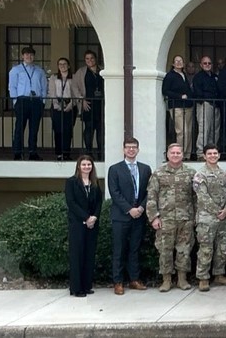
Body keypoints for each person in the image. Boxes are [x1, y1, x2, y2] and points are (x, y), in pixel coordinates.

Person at [146, 144, 197, 292]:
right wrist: (154, 217)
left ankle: (182, 279)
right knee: (165, 250)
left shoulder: (191, 173)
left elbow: (195, 197)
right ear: (167, 155)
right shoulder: (158, 173)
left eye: (178, 152)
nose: (175, 155)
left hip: (185, 218)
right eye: (172, 153)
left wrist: (195, 217)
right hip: (165, 219)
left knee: (184, 249)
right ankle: (166, 280)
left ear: (182, 155)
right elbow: (151, 196)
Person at [106, 138, 151, 295]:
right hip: (121, 216)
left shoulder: (145, 169)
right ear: (123, 150)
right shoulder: (114, 169)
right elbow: (114, 192)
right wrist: (129, 209)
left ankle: (134, 279)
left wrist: (141, 208)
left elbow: (149, 192)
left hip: (139, 215)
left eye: (134, 147)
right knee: (119, 250)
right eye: (128, 147)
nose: (131, 150)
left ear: (138, 149)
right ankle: (118, 282)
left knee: (135, 249)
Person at [192, 144, 226, 291]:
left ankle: (219, 274)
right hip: (207, 219)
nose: (212, 156)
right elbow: (202, 196)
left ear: (218, 155)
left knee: (222, 248)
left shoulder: (225, 174)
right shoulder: (200, 175)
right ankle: (203, 278)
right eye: (209, 153)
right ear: (204, 156)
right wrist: (217, 211)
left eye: (215, 153)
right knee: (206, 249)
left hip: (224, 218)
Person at [65, 155, 103, 297]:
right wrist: (86, 217)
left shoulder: (95, 183)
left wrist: (94, 217)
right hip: (77, 225)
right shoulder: (71, 182)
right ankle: (76, 288)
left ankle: (87, 286)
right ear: (79, 167)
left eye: (89, 165)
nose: (86, 167)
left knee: (89, 255)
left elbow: (99, 201)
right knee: (77, 256)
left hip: (92, 225)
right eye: (84, 165)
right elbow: (71, 203)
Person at [8, 46, 47, 161]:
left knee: (34, 128)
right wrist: (15, 101)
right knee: (19, 127)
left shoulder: (39, 70)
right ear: (22, 56)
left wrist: (42, 101)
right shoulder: (16, 70)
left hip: (36, 101)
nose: (29, 57)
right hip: (22, 100)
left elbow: (44, 87)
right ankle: (17, 152)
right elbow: (12, 87)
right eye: (26, 55)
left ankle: (32, 152)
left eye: (31, 55)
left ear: (33, 56)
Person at [162, 56, 194, 159]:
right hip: (176, 106)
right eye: (177, 61)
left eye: (181, 61)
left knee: (188, 131)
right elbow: (165, 91)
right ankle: (180, 153)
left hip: (187, 106)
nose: (179, 63)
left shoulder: (183, 74)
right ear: (173, 64)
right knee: (181, 131)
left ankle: (187, 154)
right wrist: (179, 96)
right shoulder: (170, 76)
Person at [74, 50, 105, 159]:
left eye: (91, 58)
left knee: (101, 130)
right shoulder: (81, 72)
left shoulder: (102, 70)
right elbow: (75, 87)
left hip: (101, 105)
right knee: (89, 129)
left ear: (95, 59)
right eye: (87, 58)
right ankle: (89, 153)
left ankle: (101, 153)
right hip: (88, 105)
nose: (89, 60)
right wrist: (81, 100)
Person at [49, 58, 78, 161]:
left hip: (70, 105)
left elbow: (75, 92)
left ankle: (66, 153)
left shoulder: (74, 77)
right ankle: (59, 153)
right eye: (60, 64)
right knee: (58, 130)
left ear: (69, 66)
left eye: (65, 64)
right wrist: (56, 105)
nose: (62, 66)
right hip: (56, 106)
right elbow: (51, 92)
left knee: (68, 131)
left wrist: (71, 104)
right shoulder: (53, 77)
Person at [192, 55, 221, 159]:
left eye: (209, 63)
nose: (207, 65)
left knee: (215, 130)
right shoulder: (198, 77)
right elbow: (197, 92)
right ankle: (200, 152)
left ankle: (211, 152)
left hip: (216, 105)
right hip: (205, 104)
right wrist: (205, 100)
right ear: (201, 65)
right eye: (205, 63)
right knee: (204, 129)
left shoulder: (214, 76)